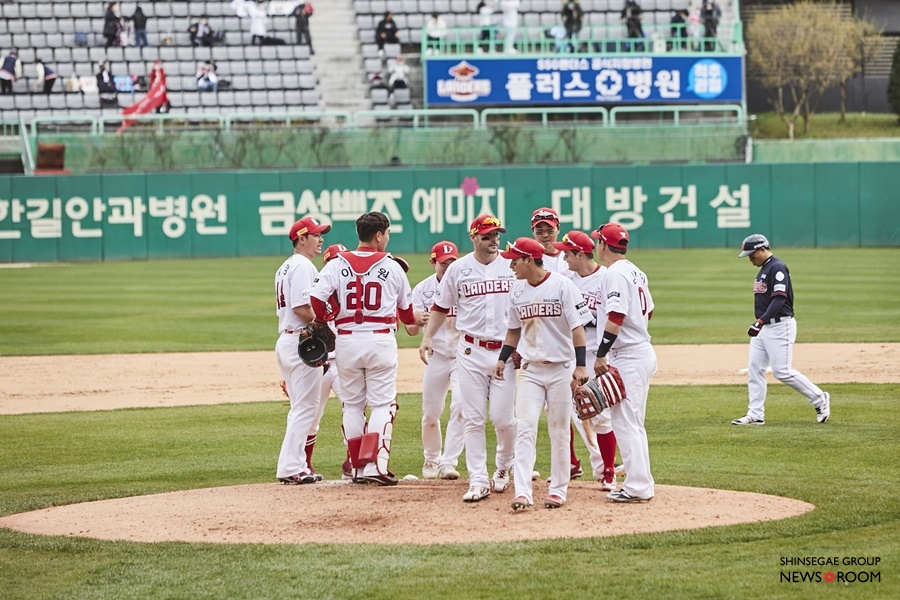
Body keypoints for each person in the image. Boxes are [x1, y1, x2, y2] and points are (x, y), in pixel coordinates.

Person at [310, 212, 425, 486]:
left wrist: (325, 318)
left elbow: (315, 297)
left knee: (352, 406)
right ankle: (376, 465)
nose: (388, 238)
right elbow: (407, 314)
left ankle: (358, 469)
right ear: (378, 235)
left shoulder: (337, 264)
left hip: (347, 340)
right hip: (380, 340)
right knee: (382, 404)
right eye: (387, 233)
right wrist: (414, 319)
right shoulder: (393, 267)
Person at [419, 215, 517, 503]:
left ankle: (503, 465)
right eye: (487, 236)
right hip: (471, 350)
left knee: (503, 418)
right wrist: (427, 337)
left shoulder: (511, 265)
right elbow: (440, 306)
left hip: (504, 352)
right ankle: (478, 479)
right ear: (473, 237)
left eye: (496, 234)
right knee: (473, 418)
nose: (494, 240)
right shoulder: (458, 269)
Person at [492, 237, 591, 511]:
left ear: (528, 260)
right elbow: (514, 330)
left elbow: (577, 328)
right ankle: (522, 492)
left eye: (514, 260)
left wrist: (581, 365)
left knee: (559, 430)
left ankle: (558, 490)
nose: (511, 266)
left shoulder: (563, 285)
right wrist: (502, 359)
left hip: (561, 369)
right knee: (525, 428)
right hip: (530, 370)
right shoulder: (516, 291)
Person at [531, 208, 603, 482]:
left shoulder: (569, 257)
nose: (545, 235)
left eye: (549, 229)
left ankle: (600, 461)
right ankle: (572, 463)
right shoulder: (531, 260)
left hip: (577, 340)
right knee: (558, 410)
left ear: (557, 229)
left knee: (584, 407)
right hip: (548, 340)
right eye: (539, 230)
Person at [732, 234, 831, 426]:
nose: (750, 259)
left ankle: (819, 398)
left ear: (762, 249)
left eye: (752, 255)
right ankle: (755, 415)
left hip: (780, 326)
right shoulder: (764, 268)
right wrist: (761, 323)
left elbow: (779, 299)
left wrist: (760, 321)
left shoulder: (777, 267)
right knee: (755, 370)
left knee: (782, 371)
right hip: (764, 327)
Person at [591, 222, 657, 503]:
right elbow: (648, 312)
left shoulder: (614, 273)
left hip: (629, 356)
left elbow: (616, 317)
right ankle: (641, 482)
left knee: (626, 423)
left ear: (603, 245)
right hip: (640, 351)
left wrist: (601, 354)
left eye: (598, 241)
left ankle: (638, 486)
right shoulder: (635, 271)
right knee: (633, 423)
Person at [554, 230, 618, 492]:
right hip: (569, 356)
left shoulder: (606, 278)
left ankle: (609, 472)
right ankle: (569, 467)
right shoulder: (565, 279)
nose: (564, 258)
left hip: (595, 356)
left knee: (601, 416)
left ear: (580, 254)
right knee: (566, 413)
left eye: (567, 254)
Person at [274, 216, 332, 485]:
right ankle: (290, 467)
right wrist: (324, 326)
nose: (321, 239)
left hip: (289, 341)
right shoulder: (302, 266)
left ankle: (295, 465)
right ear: (301, 238)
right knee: (306, 408)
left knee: (300, 408)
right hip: (301, 343)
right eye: (316, 235)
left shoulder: (286, 266)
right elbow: (300, 307)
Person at [405, 242, 465, 480]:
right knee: (430, 413)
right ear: (433, 263)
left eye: (452, 262)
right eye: (443, 263)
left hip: (463, 356)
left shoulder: (465, 285)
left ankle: (448, 462)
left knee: (460, 406)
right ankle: (431, 457)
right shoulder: (423, 289)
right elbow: (410, 330)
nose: (448, 267)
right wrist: (416, 320)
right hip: (436, 356)